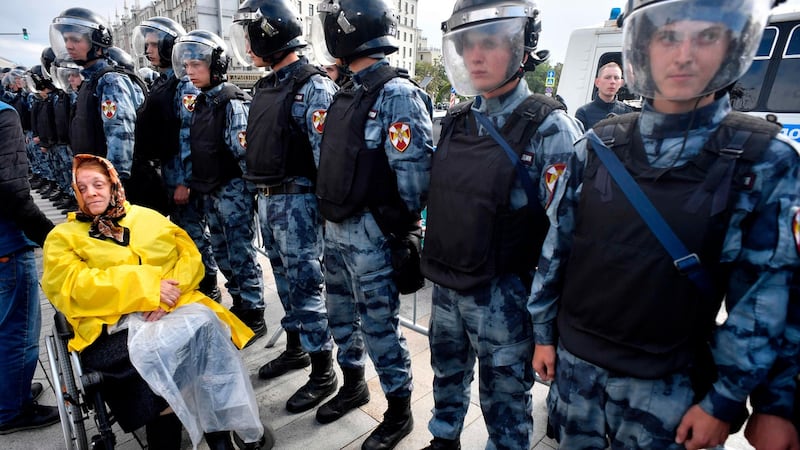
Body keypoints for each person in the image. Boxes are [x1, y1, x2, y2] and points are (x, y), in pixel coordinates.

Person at [528, 0, 800, 449]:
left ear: (733, 45)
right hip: (577, 372)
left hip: (669, 388)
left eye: (707, 36)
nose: (684, 54)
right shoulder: (598, 145)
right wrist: (542, 335)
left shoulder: (764, 161)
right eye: (668, 36)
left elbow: (770, 298)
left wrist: (737, 401)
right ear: (644, 47)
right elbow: (558, 249)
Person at [420, 1, 582, 449]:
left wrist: (546, 327)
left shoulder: (551, 128)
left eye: (490, 43)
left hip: (505, 299)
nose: (476, 56)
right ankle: (443, 440)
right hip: (448, 289)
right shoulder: (456, 119)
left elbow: (563, 236)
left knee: (506, 404)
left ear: (522, 45)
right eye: (468, 44)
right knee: (445, 380)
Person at [41, 154, 274, 450]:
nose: (91, 193)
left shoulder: (147, 218)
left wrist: (166, 298)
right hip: (111, 329)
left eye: (98, 184)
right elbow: (72, 287)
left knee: (207, 332)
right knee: (162, 359)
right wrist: (148, 289)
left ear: (113, 186)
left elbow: (189, 257)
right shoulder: (64, 237)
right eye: (82, 188)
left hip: (170, 311)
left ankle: (220, 437)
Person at [314, 1, 433, 448]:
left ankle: (399, 410)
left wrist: (398, 229)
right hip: (337, 228)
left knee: (380, 326)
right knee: (341, 317)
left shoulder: (396, 92)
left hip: (371, 234)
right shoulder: (348, 88)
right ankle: (354, 384)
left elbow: (415, 177)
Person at [231, 0, 339, 413]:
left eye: (250, 33)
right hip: (269, 200)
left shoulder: (312, 85)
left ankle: (323, 372)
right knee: (285, 283)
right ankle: (296, 349)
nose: (245, 42)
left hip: (298, 204)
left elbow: (325, 158)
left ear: (270, 34)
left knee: (306, 289)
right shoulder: (268, 84)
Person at [172, 30, 267, 343]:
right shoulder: (202, 102)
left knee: (241, 253)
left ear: (215, 65)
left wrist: (246, 199)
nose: (190, 72)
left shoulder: (231, 102)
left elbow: (243, 155)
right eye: (187, 66)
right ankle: (239, 303)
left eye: (196, 65)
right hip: (212, 192)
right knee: (224, 254)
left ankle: (254, 313)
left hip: (232, 192)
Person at [132, 17, 221, 302]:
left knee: (193, 236)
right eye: (146, 45)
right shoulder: (163, 82)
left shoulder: (184, 84)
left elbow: (188, 134)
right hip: (166, 170)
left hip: (180, 174)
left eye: (154, 44)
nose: (149, 50)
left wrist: (185, 181)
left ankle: (208, 287)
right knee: (181, 234)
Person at [0, 98, 59, 435]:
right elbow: (11, 189)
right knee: (16, 330)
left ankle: (11, 390)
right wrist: (49, 235)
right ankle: (11, 409)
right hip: (6, 242)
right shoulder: (4, 115)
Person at [49, 7, 144, 184]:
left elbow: (120, 136)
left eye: (75, 40)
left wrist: (113, 182)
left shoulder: (110, 81)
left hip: (107, 183)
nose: (69, 45)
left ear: (98, 43)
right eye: (66, 39)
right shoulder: (90, 81)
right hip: (94, 178)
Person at [574, 61, 634, 129]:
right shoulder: (583, 113)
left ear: (621, 83)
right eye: (608, 77)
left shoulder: (627, 112)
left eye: (616, 78)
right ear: (597, 82)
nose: (612, 82)